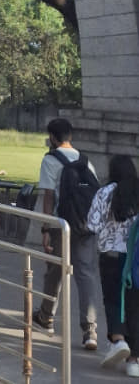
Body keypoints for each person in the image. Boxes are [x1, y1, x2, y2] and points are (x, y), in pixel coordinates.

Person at [33, 117, 101, 350]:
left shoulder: (51, 160)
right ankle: (90, 331)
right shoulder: (85, 161)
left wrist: (46, 228)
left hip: (62, 225)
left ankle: (46, 316)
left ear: (52, 137)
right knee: (86, 274)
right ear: (70, 136)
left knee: (55, 270)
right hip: (86, 225)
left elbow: (48, 196)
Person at [86, 154, 139, 369]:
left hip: (111, 256)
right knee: (134, 306)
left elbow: (93, 225)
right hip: (135, 258)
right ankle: (134, 360)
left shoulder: (105, 193)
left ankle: (118, 339)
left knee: (113, 299)